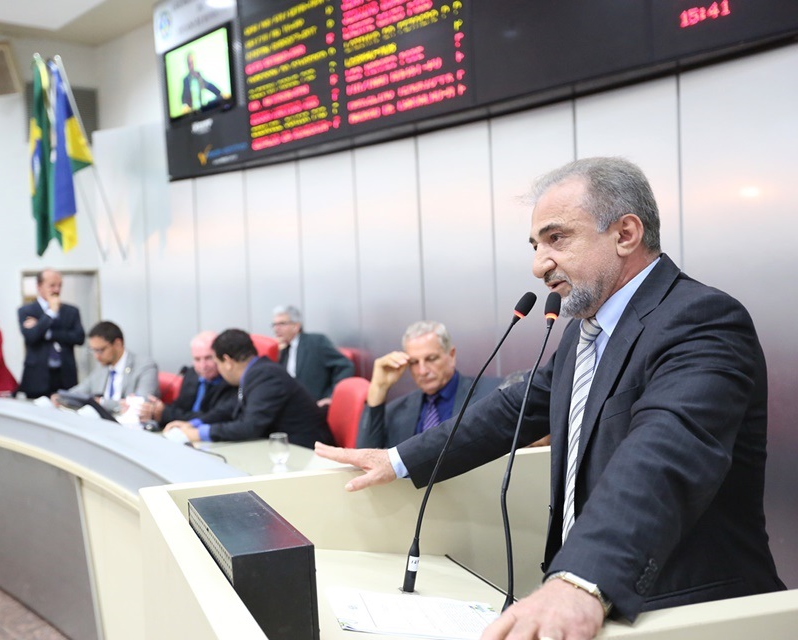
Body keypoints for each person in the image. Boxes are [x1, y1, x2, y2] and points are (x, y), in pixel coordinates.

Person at [316, 157, 784, 638]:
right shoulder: (586, 334)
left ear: (625, 233)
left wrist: (583, 578)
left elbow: (664, 454)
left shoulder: (701, 319)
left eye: (557, 238)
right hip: (591, 601)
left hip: (685, 610)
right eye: (536, 244)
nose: (539, 264)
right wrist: (396, 459)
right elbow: (511, 410)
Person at [164, 328, 333, 448]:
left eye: (216, 362)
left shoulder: (267, 376)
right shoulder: (256, 373)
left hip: (306, 454)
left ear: (228, 362)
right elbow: (230, 409)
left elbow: (250, 426)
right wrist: (193, 424)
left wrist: (198, 434)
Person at [355, 321, 500, 449]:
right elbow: (366, 455)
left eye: (431, 359)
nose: (422, 371)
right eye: (414, 362)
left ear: (451, 355)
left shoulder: (490, 394)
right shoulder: (396, 411)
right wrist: (378, 389)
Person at [139, 331, 238, 428]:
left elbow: (212, 417)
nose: (203, 366)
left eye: (208, 358)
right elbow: (179, 407)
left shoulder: (231, 380)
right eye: (197, 359)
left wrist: (165, 414)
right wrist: (156, 409)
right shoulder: (192, 374)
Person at [17, 269, 85, 399]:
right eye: (52, 285)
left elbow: (79, 337)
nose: (57, 289)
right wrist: (50, 313)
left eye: (60, 285)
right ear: (39, 287)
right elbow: (31, 337)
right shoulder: (26, 311)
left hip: (65, 375)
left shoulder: (71, 311)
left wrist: (48, 332)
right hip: (37, 376)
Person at [62, 321, 157, 413]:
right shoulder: (102, 367)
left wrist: (101, 403)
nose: (96, 356)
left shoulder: (144, 365)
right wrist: (61, 397)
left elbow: (141, 404)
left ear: (117, 344)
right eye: (93, 351)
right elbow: (80, 391)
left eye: (100, 350)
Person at [272, 304, 354, 406]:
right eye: (274, 325)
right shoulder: (283, 351)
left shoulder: (316, 342)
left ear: (296, 326)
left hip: (312, 406)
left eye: (282, 324)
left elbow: (345, 366)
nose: (276, 329)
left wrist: (331, 396)